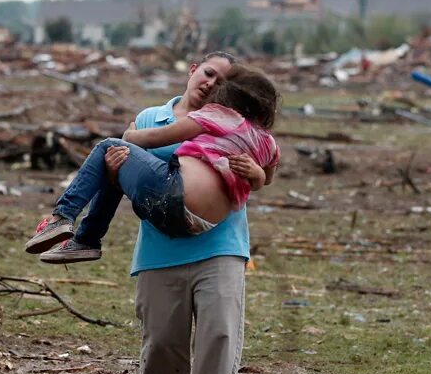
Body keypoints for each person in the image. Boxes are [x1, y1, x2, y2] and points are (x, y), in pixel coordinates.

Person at [33, 51, 264, 374]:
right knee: (161, 343)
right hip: (160, 252)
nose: (211, 83)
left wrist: (256, 172)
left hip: (221, 248)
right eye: (208, 73)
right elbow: (118, 168)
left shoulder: (236, 123)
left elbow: (262, 171)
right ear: (193, 70)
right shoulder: (148, 119)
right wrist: (113, 164)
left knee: (220, 336)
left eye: (222, 81)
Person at [24, 64, 279, 257]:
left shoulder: (218, 114)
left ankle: (63, 219)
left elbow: (156, 138)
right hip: (200, 224)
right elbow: (266, 179)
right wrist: (256, 173)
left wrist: (129, 134)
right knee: (118, 160)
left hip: (175, 197)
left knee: (109, 148)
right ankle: (85, 241)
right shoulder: (268, 142)